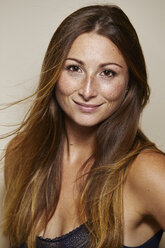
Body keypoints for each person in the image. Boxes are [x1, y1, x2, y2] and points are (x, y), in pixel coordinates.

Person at [2, 4, 165, 248]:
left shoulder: (146, 172)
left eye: (107, 73)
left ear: (129, 83)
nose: (87, 91)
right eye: (74, 68)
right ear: (54, 73)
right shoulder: (21, 153)